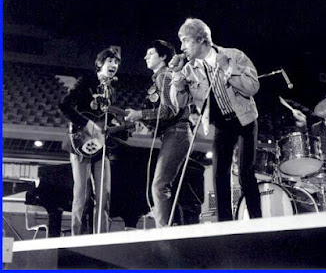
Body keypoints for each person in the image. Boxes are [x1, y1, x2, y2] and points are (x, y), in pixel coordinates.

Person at [169, 18, 261, 221]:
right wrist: (176, 76)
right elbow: (179, 103)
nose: (182, 47)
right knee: (219, 175)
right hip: (222, 125)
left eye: (185, 40)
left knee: (246, 173)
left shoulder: (234, 55)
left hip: (245, 120)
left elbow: (253, 87)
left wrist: (228, 68)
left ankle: (257, 221)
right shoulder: (189, 69)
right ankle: (225, 225)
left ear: (201, 39)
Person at [124, 40, 191, 227]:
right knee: (164, 186)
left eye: (151, 53)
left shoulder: (164, 76)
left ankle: (164, 231)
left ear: (163, 57)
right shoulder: (161, 77)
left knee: (159, 186)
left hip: (176, 132)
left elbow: (169, 110)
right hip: (174, 134)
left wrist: (140, 114)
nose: (146, 57)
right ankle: (170, 227)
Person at [59, 46, 122, 235]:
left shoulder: (111, 90)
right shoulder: (86, 81)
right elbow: (64, 105)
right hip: (80, 143)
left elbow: (105, 118)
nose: (114, 65)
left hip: (101, 147)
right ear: (100, 63)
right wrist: (86, 123)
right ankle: (75, 236)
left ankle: (100, 237)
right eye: (110, 61)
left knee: (104, 195)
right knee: (81, 194)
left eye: (117, 62)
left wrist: (119, 124)